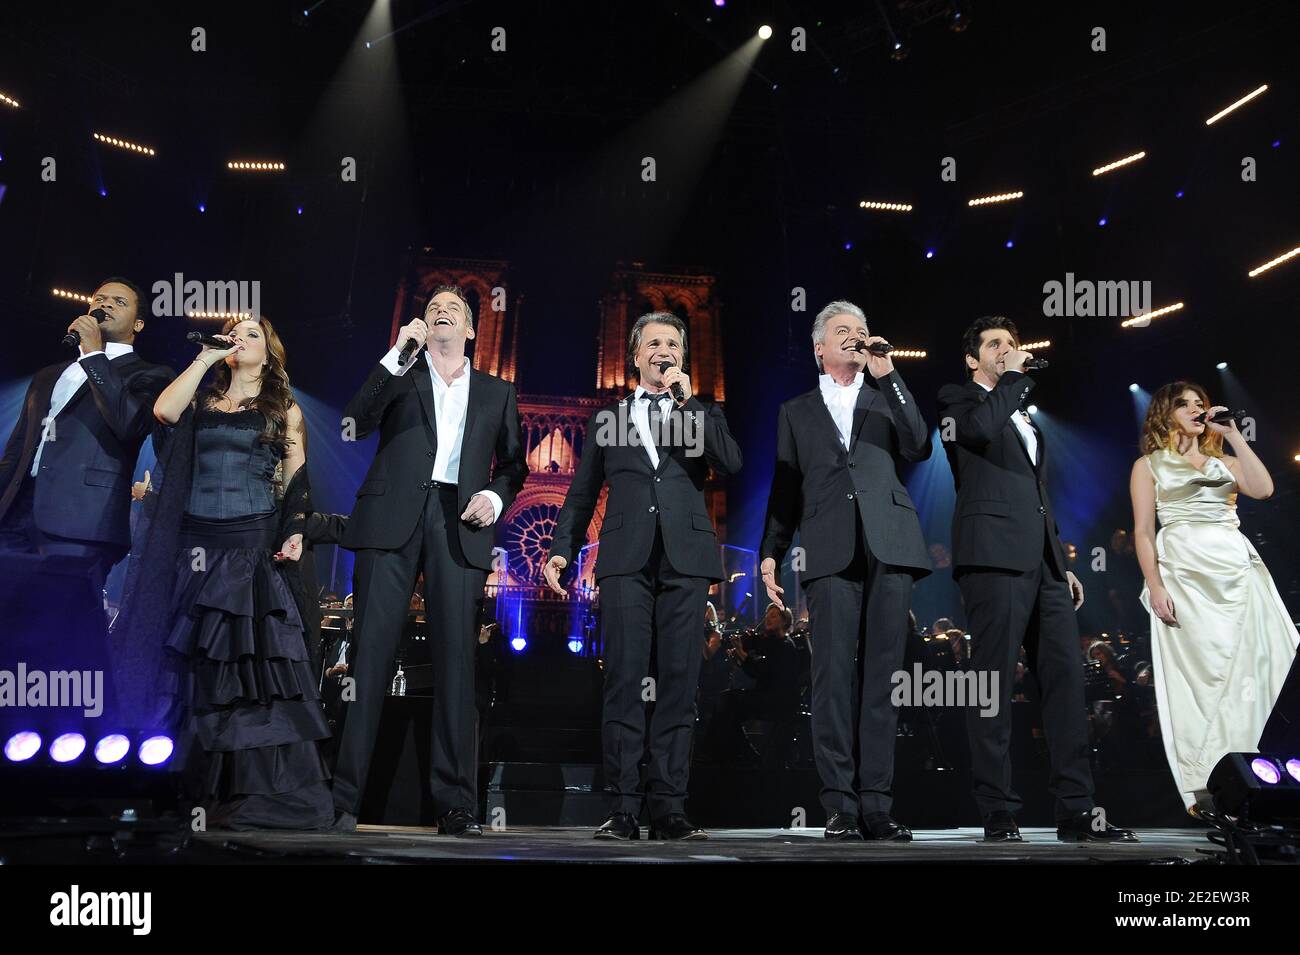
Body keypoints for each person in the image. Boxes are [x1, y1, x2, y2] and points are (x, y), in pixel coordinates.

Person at [117, 315, 331, 829]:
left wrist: (295, 531)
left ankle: (246, 792)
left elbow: (296, 481)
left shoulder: (285, 410)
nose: (240, 337)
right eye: (235, 332)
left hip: (247, 546)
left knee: (241, 670)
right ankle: (176, 784)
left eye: (252, 333)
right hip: (192, 544)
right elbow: (163, 411)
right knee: (187, 664)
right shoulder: (201, 399)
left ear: (271, 352)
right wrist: (206, 357)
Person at [330, 285, 527, 836]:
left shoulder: (496, 392)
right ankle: (344, 798)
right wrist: (397, 354)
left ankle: (456, 804)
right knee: (368, 658)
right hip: (392, 517)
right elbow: (354, 422)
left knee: (455, 665)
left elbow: (515, 465)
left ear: (470, 330)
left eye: (454, 310)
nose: (441, 311)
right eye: (433, 306)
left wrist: (495, 496)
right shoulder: (401, 374)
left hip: (457, 521)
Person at [544, 310, 743, 841]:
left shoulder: (701, 410)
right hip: (625, 560)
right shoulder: (607, 418)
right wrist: (562, 549)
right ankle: (624, 807)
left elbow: (729, 462)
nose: (665, 351)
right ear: (635, 356)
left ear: (682, 356)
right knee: (624, 681)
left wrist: (690, 403)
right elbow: (583, 492)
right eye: (653, 343)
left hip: (686, 560)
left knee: (681, 686)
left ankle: (671, 807)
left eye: (673, 344)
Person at [937, 315, 1136, 843]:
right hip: (991, 559)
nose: (1008, 349)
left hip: (1044, 564)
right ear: (971, 358)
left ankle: (1077, 810)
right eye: (995, 344)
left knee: (1065, 683)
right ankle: (998, 810)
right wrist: (1011, 379)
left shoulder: (1028, 418)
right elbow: (978, 432)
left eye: (1013, 343)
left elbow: (1039, 499)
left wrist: (1061, 562)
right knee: (993, 686)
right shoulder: (957, 402)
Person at [760, 300, 932, 842]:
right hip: (829, 548)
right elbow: (785, 488)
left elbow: (920, 445)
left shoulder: (886, 398)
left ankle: (878, 805)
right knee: (832, 677)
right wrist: (771, 551)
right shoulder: (796, 410)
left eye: (862, 330)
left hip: (890, 545)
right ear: (819, 346)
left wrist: (891, 373)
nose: (857, 338)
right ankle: (839, 804)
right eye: (843, 332)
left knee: (883, 679)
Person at [1130, 380, 1298, 815]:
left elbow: (1263, 490)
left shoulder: (1222, 458)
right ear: (1165, 413)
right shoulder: (1149, 465)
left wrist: (1233, 434)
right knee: (1201, 677)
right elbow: (1144, 531)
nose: (1196, 409)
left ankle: (1269, 772)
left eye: (1200, 404)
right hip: (1185, 573)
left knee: (1261, 666)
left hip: (1237, 569)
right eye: (1184, 404)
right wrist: (1155, 583)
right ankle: (1207, 783)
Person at [0, 278, 174, 604]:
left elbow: (129, 424)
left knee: (59, 630)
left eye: (119, 302)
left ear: (138, 324)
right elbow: (18, 448)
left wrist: (94, 354)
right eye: (100, 298)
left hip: (82, 521)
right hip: (16, 511)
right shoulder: (49, 374)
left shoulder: (152, 374)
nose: (105, 304)